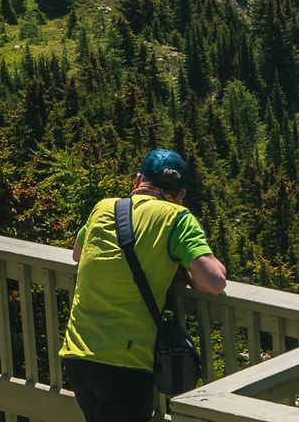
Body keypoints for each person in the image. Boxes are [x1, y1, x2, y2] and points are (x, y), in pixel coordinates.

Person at [59, 149, 228, 421]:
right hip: (125, 361)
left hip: (78, 352)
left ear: (138, 180)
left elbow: (78, 253)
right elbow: (214, 282)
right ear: (180, 194)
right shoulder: (177, 218)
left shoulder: (103, 207)